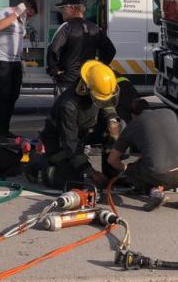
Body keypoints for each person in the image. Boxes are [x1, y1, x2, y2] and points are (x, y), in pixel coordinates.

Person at [35, 60, 120, 188]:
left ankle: (112, 176)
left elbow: (108, 103)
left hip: (85, 130)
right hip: (60, 139)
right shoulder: (68, 105)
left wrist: (112, 121)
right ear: (87, 88)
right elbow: (71, 144)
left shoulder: (100, 85)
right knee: (74, 180)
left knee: (112, 137)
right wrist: (90, 172)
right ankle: (39, 163)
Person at [107, 99, 178, 211]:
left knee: (136, 170)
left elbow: (112, 160)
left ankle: (155, 193)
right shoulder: (169, 113)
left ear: (133, 114)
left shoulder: (133, 124)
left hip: (160, 173)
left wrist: (127, 169)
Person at [46, 0, 115, 96]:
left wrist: (54, 70)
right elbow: (110, 50)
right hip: (88, 81)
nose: (61, 12)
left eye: (63, 8)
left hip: (67, 81)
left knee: (64, 110)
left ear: (72, 8)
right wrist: (98, 67)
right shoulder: (95, 28)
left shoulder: (66, 27)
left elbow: (53, 49)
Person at [0, 0, 37, 142]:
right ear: (24, 8)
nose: (28, 17)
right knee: (3, 96)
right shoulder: (4, 12)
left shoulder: (21, 19)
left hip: (15, 61)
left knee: (13, 96)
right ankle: (1, 134)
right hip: (1, 60)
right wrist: (16, 12)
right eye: (29, 14)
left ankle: (6, 130)